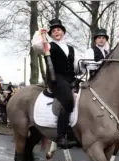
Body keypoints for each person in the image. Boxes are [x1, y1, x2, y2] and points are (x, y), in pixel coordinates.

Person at [31, 18, 83, 148]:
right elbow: (37, 46)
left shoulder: (71, 48)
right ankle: (61, 136)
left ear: (63, 32)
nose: (56, 32)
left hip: (71, 78)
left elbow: (76, 66)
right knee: (68, 101)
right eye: (53, 30)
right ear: (51, 34)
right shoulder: (48, 45)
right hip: (56, 79)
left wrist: (83, 67)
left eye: (58, 29)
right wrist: (39, 34)